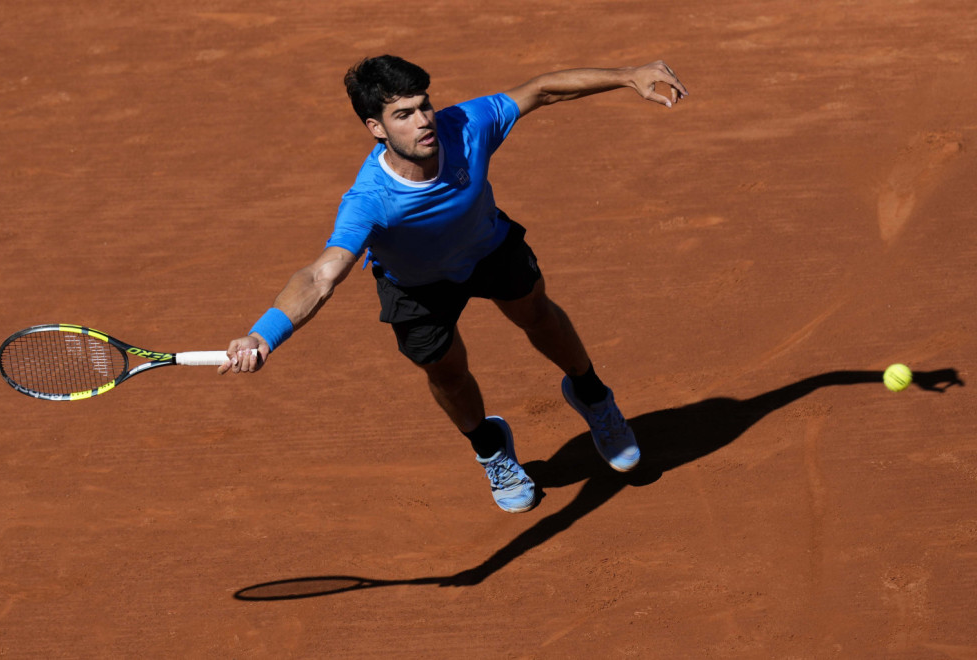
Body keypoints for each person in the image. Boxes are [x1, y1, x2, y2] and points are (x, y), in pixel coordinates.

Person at [220, 55, 688, 513]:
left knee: (537, 314)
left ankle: (592, 394)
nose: (424, 120)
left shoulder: (466, 124)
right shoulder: (370, 200)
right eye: (403, 115)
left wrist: (628, 75)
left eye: (424, 105)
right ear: (376, 128)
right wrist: (264, 333)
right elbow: (320, 275)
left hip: (488, 247)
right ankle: (490, 446)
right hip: (415, 285)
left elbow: (542, 90)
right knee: (446, 372)